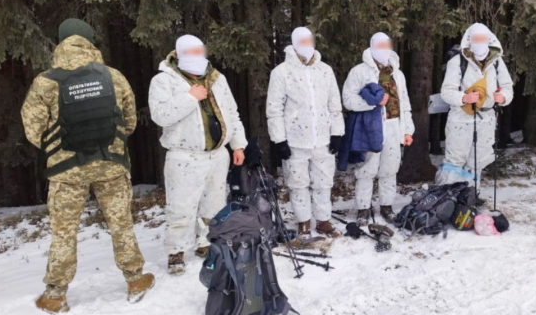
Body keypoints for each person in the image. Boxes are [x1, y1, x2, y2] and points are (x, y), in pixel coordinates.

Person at [21, 18, 154, 314]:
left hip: (67, 172)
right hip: (112, 166)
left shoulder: (45, 82)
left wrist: (59, 148)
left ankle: (55, 295)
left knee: (64, 232)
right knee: (121, 224)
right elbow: (130, 122)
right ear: (91, 41)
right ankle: (135, 279)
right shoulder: (113, 76)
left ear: (61, 42)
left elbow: (33, 131)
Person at [148, 35, 247, 274]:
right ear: (180, 54)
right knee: (181, 207)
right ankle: (176, 252)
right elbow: (160, 115)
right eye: (191, 52)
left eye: (200, 51)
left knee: (213, 204)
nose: (198, 56)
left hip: (217, 154)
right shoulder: (164, 80)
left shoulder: (217, 78)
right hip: (184, 157)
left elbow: (232, 113)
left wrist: (238, 145)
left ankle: (206, 243)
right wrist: (190, 97)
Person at [266, 27, 345, 239]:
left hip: (322, 139)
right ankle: (303, 222)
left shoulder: (325, 70)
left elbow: (334, 103)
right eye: (302, 40)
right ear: (293, 43)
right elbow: (274, 108)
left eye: (310, 39)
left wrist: (337, 133)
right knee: (298, 183)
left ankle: (323, 220)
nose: (307, 43)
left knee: (324, 182)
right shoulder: (281, 72)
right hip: (295, 140)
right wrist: (279, 140)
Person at [341, 32, 415, 225]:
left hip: (394, 126)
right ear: (372, 47)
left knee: (390, 170)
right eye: (379, 45)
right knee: (366, 170)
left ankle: (387, 206)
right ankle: (363, 208)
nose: (384, 49)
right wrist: (372, 103)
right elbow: (348, 99)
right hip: (370, 127)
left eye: (386, 45)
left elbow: (404, 103)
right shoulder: (359, 72)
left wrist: (408, 130)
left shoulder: (397, 74)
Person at [439, 23, 514, 196]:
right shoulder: (457, 61)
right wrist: (463, 98)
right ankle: (448, 200)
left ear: (489, 40)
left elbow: (507, 86)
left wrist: (503, 98)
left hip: (486, 119)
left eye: (483, 39)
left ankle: (471, 198)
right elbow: (446, 91)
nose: (479, 43)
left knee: (477, 161)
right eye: (476, 39)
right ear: (469, 40)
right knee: (455, 161)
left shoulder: (496, 61)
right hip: (460, 118)